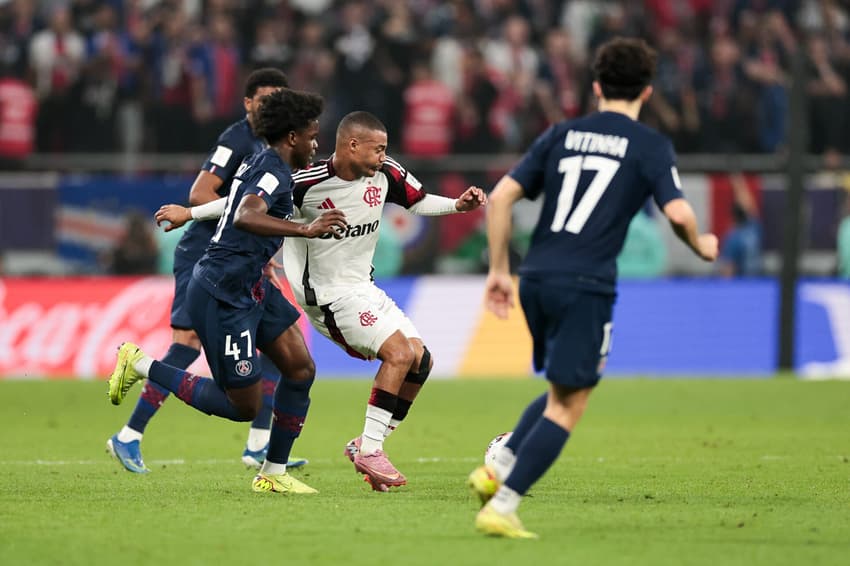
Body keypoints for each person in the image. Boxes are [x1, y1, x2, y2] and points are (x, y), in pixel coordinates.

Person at [467, 37, 718, 539]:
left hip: (536, 275)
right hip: (586, 282)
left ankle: (497, 466)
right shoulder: (648, 144)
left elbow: (501, 197)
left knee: (569, 383)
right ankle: (504, 503)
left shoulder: (562, 133)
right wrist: (702, 244)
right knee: (571, 402)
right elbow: (678, 212)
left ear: (597, 86)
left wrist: (498, 269)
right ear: (647, 92)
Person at [157, 111, 486, 491]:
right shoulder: (305, 182)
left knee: (420, 360)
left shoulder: (387, 174)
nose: (383, 156)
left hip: (364, 286)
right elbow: (240, 201)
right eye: (377, 149)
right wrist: (191, 212)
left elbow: (420, 201)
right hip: (326, 296)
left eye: (385, 149)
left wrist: (457, 205)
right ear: (352, 145)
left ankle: (366, 443)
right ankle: (371, 450)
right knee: (397, 353)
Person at [107, 88, 348, 495]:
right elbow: (245, 214)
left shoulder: (269, 164)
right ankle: (140, 364)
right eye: (311, 134)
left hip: (251, 283)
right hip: (223, 292)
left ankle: (272, 471)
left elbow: (236, 205)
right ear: (292, 137)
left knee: (300, 369)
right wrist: (306, 228)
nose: (315, 142)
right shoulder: (271, 169)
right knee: (243, 406)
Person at [717, 173, 762, 277]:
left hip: (748, 283)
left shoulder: (735, 235)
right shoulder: (753, 228)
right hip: (751, 281)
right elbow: (750, 207)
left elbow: (727, 269)